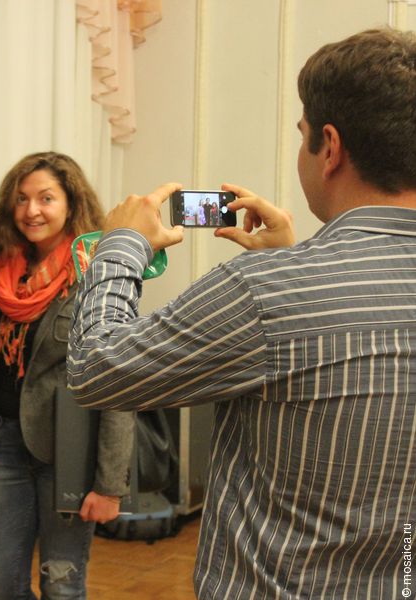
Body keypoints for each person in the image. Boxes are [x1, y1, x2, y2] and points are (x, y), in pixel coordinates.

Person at [67, 27, 416, 600]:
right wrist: (289, 260)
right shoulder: (280, 283)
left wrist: (122, 244)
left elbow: (96, 368)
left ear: (330, 147)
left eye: (301, 135)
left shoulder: (264, 291)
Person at [0, 152, 134, 599]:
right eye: (21, 199)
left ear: (71, 204)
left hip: (69, 453)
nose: (31, 210)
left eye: (46, 198)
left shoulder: (97, 273)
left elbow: (119, 382)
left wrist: (110, 486)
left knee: (62, 583)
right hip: (5, 445)